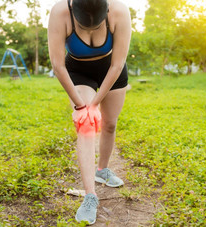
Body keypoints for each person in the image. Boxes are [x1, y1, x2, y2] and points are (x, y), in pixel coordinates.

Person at [48, 0, 131, 224]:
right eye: (85, 27)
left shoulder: (120, 10)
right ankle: (90, 196)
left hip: (111, 70)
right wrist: (80, 106)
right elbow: (57, 65)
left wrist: (95, 103)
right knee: (86, 125)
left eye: (96, 26)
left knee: (110, 124)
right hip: (78, 70)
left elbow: (117, 64)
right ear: (73, 10)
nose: (91, 31)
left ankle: (102, 169)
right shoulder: (59, 12)